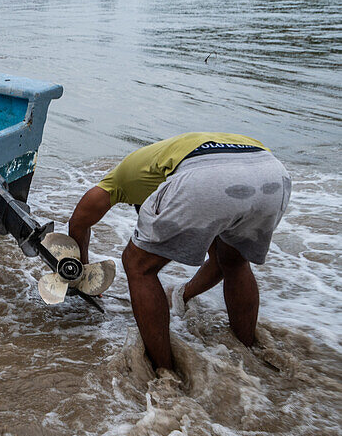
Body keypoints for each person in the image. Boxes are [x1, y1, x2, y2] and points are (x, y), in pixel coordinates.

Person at [68, 132, 290, 372]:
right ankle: (247, 351)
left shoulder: (121, 177)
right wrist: (183, 294)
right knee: (234, 262)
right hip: (272, 173)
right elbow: (218, 263)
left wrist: (82, 274)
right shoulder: (165, 156)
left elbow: (78, 222)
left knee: (138, 265)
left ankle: (164, 371)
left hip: (207, 175)